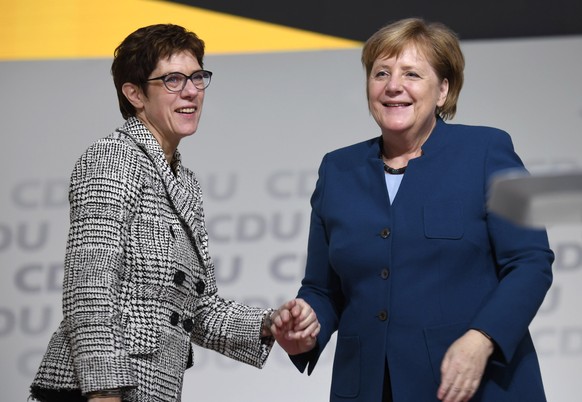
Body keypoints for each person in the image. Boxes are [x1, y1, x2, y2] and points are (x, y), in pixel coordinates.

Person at [29, 24, 319, 402]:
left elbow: (197, 310)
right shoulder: (114, 158)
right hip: (99, 390)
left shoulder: (185, 182)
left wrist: (269, 324)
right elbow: (90, 289)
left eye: (197, 77)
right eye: (173, 80)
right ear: (134, 94)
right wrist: (104, 392)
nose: (191, 91)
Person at [274, 18, 554, 402]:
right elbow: (323, 289)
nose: (393, 86)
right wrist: (304, 330)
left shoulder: (489, 151)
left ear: (443, 90)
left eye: (411, 74)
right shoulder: (337, 170)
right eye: (381, 73)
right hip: (370, 389)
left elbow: (530, 262)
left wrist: (482, 338)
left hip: (476, 386)